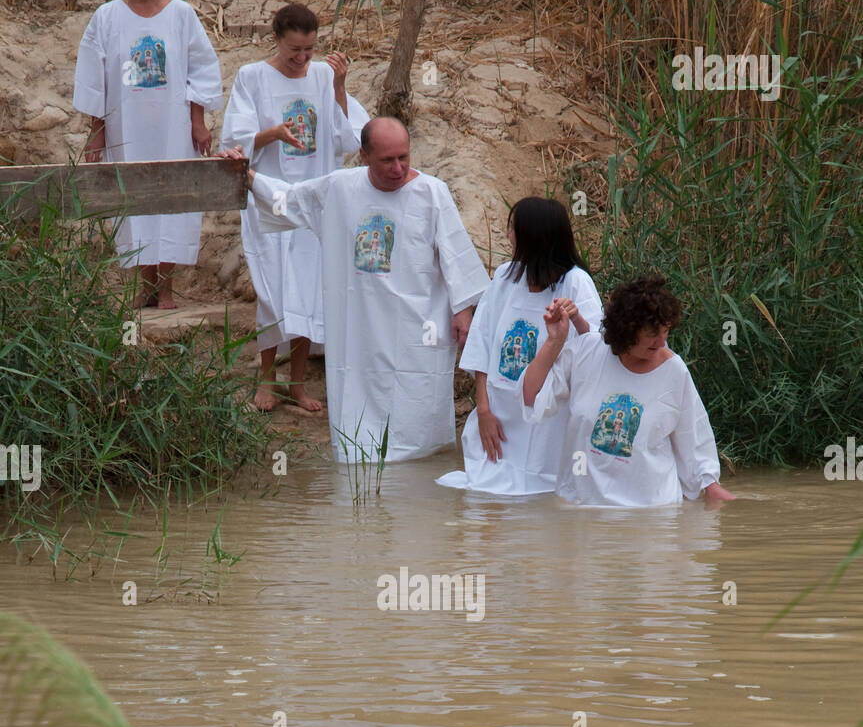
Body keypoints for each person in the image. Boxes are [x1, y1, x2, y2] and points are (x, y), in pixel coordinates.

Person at [221, 116, 490, 462]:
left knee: (416, 402)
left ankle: (419, 463)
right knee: (359, 411)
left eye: (404, 158)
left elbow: (456, 255)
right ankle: (359, 461)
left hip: (418, 322)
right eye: (387, 160)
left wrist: (462, 311)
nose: (398, 168)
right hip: (358, 322)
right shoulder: (339, 188)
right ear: (363, 155)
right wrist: (246, 173)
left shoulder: (432, 192)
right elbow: (286, 200)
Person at [220, 2, 370, 412]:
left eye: (309, 49)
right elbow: (232, 142)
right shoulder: (252, 77)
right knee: (272, 291)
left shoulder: (324, 76)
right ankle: (267, 380)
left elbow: (349, 141)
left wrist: (339, 86)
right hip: (269, 200)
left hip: (315, 201)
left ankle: (299, 384)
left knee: (311, 289)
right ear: (276, 40)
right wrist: (273, 134)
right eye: (294, 51)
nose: (302, 59)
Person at [73, 0, 222, 309]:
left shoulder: (181, 14)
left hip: (173, 126)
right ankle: (145, 285)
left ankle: (167, 288)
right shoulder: (107, 17)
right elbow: (95, 78)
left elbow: (200, 68)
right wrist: (98, 132)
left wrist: (198, 122)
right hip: (128, 126)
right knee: (134, 199)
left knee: (170, 198)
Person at [522, 273, 736, 506]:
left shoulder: (674, 372)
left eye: (665, 331)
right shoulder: (587, 351)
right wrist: (555, 340)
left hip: (649, 517)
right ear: (627, 330)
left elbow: (694, 439)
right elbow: (532, 397)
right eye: (653, 334)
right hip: (581, 509)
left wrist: (715, 491)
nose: (662, 341)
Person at [437, 196, 603, 495]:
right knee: (486, 493)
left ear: (532, 237)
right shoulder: (505, 276)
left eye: (514, 228)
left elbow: (596, 348)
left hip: (549, 419)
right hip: (500, 414)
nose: (509, 235)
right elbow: (482, 346)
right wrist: (484, 411)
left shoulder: (576, 283)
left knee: (543, 494)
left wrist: (575, 318)